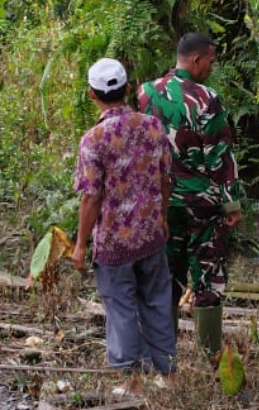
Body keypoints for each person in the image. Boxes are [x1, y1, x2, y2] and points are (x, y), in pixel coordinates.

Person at [72, 58, 176, 384]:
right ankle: (166, 373)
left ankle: (131, 381)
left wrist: (79, 245)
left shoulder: (94, 140)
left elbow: (91, 198)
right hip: (150, 235)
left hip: (114, 243)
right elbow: (165, 179)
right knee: (157, 301)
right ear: (128, 88)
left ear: (92, 94)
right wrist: (161, 217)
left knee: (121, 310)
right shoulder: (153, 127)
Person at [138, 33, 242, 357]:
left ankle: (163, 355)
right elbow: (219, 154)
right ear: (195, 60)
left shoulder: (145, 93)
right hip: (203, 206)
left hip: (161, 205)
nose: (212, 67)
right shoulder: (207, 98)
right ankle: (211, 356)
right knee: (207, 279)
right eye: (210, 61)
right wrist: (231, 203)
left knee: (165, 278)